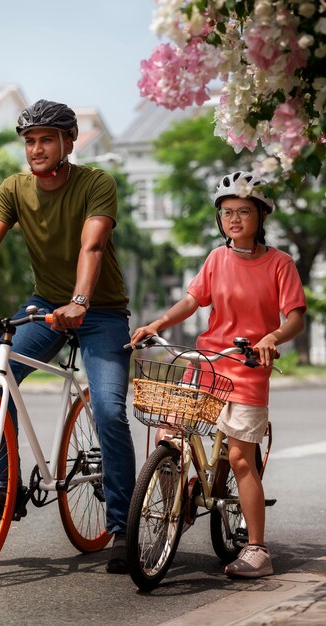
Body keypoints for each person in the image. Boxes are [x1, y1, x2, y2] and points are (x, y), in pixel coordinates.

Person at [0, 99, 136, 575]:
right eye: (30, 141)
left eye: (47, 139)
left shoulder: (95, 183)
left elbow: (93, 244)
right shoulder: (13, 189)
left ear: (69, 142)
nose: (37, 148)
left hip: (101, 310)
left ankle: (124, 526)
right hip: (45, 305)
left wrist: (81, 302)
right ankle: (6, 486)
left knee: (108, 408)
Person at [131, 171, 306, 579]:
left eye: (244, 211)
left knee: (242, 458)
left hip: (247, 369)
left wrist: (272, 337)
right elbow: (193, 300)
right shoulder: (215, 259)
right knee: (168, 431)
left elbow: (295, 318)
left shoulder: (280, 264)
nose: (235, 219)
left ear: (261, 216)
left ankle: (257, 550)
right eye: (227, 212)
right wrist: (157, 323)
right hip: (208, 362)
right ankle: (177, 505)